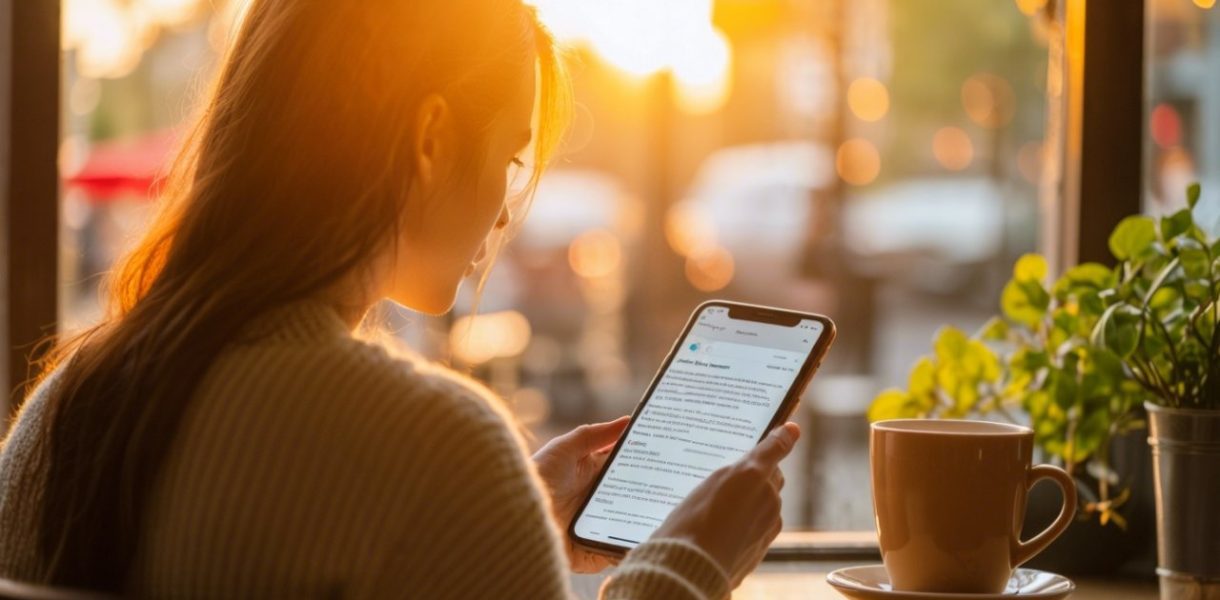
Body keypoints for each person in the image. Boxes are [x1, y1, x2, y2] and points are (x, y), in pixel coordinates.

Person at [0, 0, 800, 597]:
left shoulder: (61, 410)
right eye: (511, 158)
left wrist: (496, 529)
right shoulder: (435, 445)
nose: (503, 206)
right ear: (430, 139)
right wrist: (690, 567)